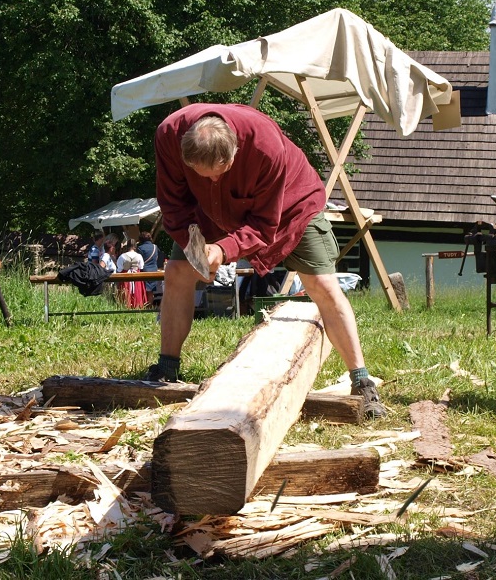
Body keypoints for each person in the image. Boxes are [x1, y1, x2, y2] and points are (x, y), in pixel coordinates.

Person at [145, 103, 386, 418]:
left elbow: (263, 225)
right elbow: (174, 205)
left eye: (220, 173)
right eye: (204, 176)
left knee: (322, 284)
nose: (214, 180)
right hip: (209, 211)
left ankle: (362, 382)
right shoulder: (168, 135)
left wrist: (223, 251)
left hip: (289, 207)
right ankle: (166, 369)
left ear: (234, 153)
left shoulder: (265, 145)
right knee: (177, 271)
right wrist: (197, 252)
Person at [117, 238, 148, 308]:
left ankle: (126, 306)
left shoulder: (122, 256)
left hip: (125, 278)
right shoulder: (139, 256)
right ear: (135, 246)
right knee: (137, 292)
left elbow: (119, 269)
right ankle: (137, 306)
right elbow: (141, 266)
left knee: (125, 293)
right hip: (136, 277)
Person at [136, 231, 162, 297]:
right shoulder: (155, 247)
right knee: (151, 292)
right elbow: (159, 258)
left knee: (143, 291)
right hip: (154, 271)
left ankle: (145, 303)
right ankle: (150, 303)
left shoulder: (140, 248)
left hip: (143, 271)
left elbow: (138, 261)